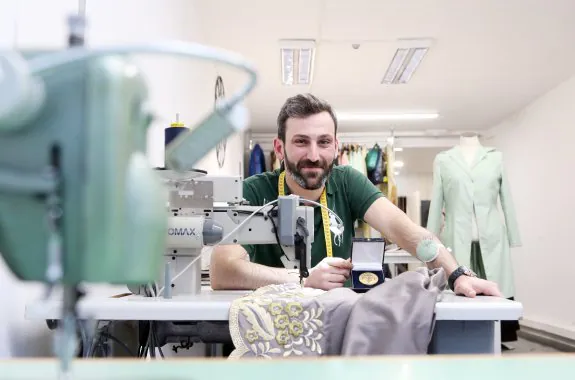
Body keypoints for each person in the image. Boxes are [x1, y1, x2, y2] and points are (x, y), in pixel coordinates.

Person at [210, 93, 502, 298]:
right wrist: (302, 278)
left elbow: (408, 233)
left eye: (323, 142)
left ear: (336, 147)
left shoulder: (347, 182)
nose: (314, 155)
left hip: (335, 321)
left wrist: (457, 274)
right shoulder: (253, 190)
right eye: (301, 142)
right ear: (278, 147)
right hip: (272, 327)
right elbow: (222, 270)